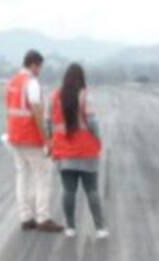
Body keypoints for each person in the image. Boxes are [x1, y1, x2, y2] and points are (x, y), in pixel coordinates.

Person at [48, 63, 109, 239]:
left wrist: (51, 142)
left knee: (68, 191)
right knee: (92, 190)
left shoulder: (55, 97)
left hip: (65, 152)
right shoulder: (85, 96)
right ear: (81, 78)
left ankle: (70, 228)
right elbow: (92, 122)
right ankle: (100, 228)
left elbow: (48, 123)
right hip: (86, 152)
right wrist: (98, 139)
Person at [5, 49, 63, 232]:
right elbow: (38, 112)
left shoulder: (12, 81)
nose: (40, 71)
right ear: (33, 65)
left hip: (14, 136)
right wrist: (47, 139)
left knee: (22, 176)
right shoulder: (31, 83)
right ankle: (43, 218)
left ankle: (25, 217)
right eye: (39, 67)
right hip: (30, 136)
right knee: (42, 176)